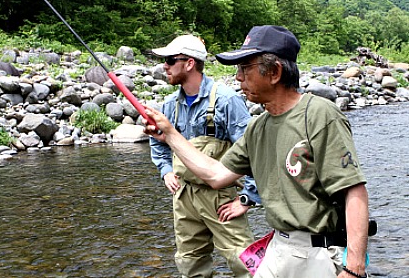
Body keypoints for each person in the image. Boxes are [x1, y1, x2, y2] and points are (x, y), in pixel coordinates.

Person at [144, 26, 370, 278]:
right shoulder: (258, 128)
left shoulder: (320, 114)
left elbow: (353, 190)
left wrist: (354, 268)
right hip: (277, 248)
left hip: (317, 254)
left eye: (244, 68)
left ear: (274, 72)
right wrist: (171, 137)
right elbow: (216, 175)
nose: (238, 77)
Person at [149, 34, 261, 278]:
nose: (164, 66)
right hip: (184, 195)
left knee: (245, 261)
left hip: (221, 197)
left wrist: (247, 199)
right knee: (190, 263)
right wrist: (166, 170)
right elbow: (156, 142)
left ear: (189, 63)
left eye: (169, 60)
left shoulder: (227, 100)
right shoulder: (169, 104)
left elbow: (253, 150)